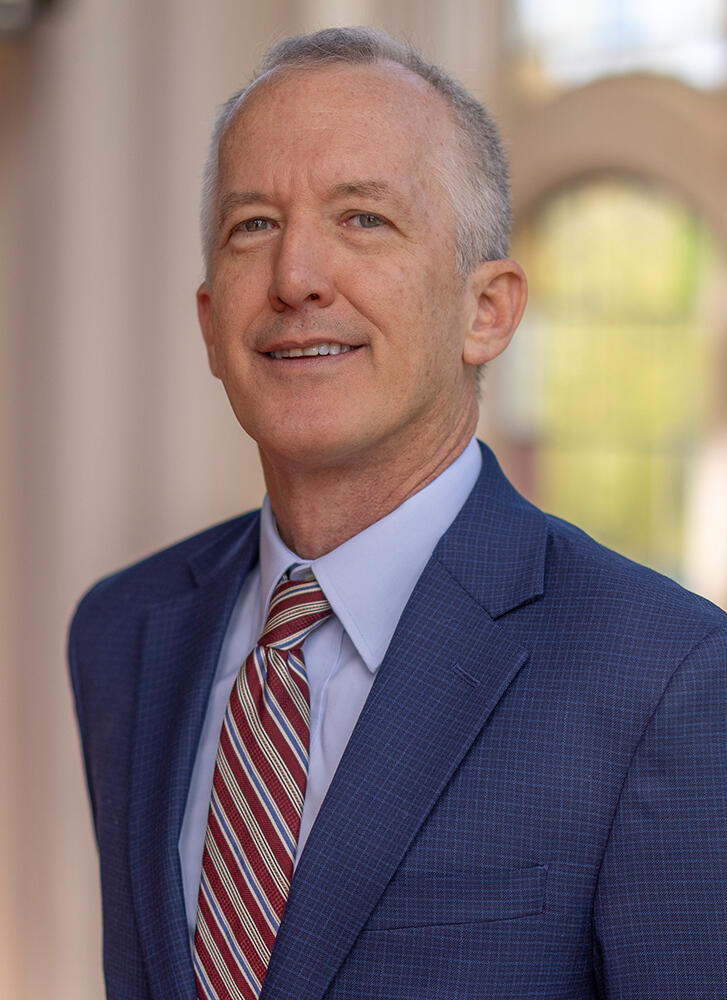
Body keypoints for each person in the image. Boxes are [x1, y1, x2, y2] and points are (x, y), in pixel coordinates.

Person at [69, 26, 727, 1000]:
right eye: (253, 224)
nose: (295, 276)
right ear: (209, 321)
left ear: (488, 311)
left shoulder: (661, 674)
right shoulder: (123, 631)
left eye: (363, 219)